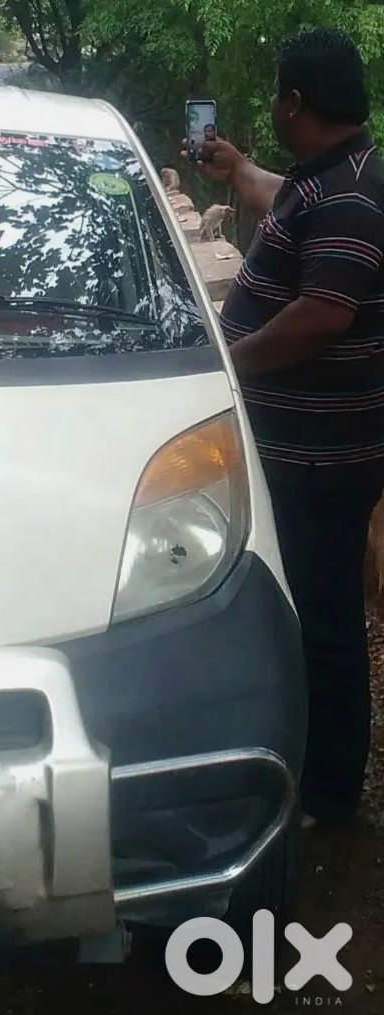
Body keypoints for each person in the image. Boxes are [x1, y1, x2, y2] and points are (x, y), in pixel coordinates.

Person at [188, 27, 384, 829]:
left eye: (277, 96)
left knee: (325, 617)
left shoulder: (349, 194)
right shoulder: (332, 178)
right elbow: (283, 203)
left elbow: (320, 315)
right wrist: (237, 169)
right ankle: (308, 762)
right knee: (305, 605)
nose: (272, 107)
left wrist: (224, 367)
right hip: (304, 450)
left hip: (322, 458)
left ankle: (329, 794)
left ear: (294, 101)